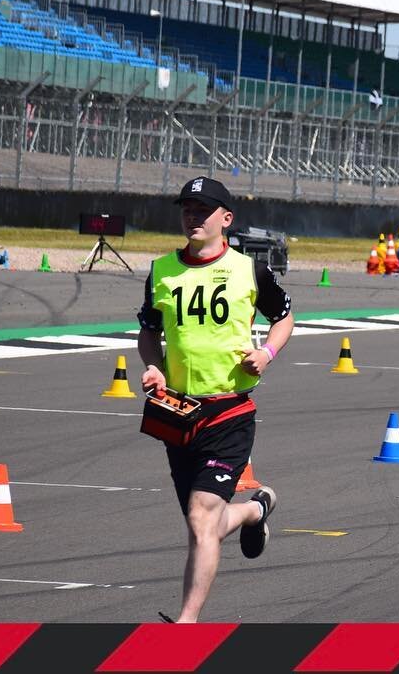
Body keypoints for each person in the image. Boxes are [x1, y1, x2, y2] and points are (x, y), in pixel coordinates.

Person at [137, 176, 295, 622]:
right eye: (187, 207)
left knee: (201, 518)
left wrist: (266, 352)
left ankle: (186, 624)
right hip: (178, 411)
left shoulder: (250, 270)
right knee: (200, 522)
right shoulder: (161, 271)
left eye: (202, 209)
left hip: (230, 411)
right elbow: (148, 331)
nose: (192, 216)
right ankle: (253, 510)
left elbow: (284, 318)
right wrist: (153, 366)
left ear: (226, 219)